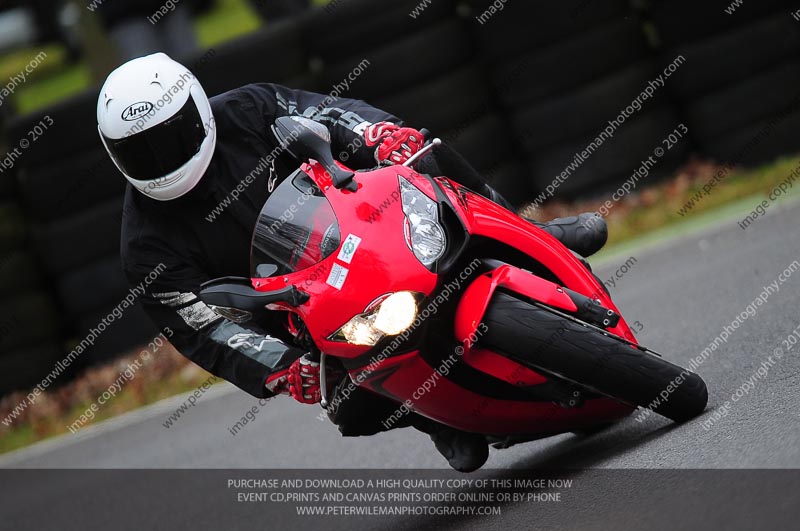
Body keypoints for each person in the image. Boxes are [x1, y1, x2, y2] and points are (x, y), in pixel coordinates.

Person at [98, 53, 607, 472]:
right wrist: (282, 369)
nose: (163, 157)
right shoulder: (144, 248)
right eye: (143, 152)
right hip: (305, 308)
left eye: (170, 136)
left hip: (366, 213)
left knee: (429, 155)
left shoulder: (247, 108)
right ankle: (439, 419)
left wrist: (380, 134)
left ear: (195, 106)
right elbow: (204, 329)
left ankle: (529, 233)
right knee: (348, 407)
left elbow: (330, 114)